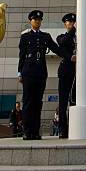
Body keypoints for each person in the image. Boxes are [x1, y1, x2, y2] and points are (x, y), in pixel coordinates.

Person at [18, 10, 65, 140]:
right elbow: (21, 56)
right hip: (28, 72)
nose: (37, 21)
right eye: (35, 19)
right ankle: (27, 132)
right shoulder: (25, 37)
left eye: (39, 20)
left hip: (41, 73)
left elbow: (56, 49)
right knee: (28, 102)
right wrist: (19, 73)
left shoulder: (45, 36)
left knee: (38, 103)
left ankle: (35, 131)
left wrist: (69, 56)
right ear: (30, 21)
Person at [56, 12, 76, 139]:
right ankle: (64, 130)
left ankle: (75, 127)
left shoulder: (79, 37)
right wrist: (72, 31)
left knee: (75, 101)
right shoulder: (62, 37)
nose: (71, 24)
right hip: (65, 70)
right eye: (69, 22)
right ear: (65, 24)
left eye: (73, 22)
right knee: (63, 102)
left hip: (78, 72)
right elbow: (63, 44)